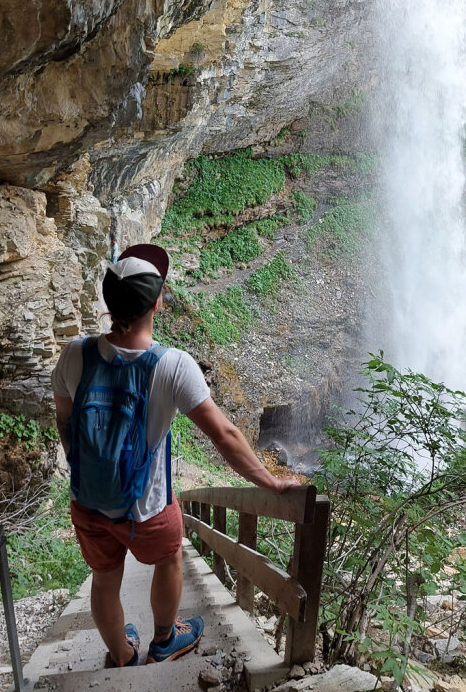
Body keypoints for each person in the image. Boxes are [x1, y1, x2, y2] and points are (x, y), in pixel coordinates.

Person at [52, 243, 295, 668]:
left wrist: (85, 467)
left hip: (88, 502)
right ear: (158, 302)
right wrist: (271, 483)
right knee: (169, 560)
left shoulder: (75, 353)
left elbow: (65, 421)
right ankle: (164, 640)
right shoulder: (173, 365)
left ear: (110, 301)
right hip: (147, 509)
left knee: (105, 580)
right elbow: (225, 435)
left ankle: (121, 653)